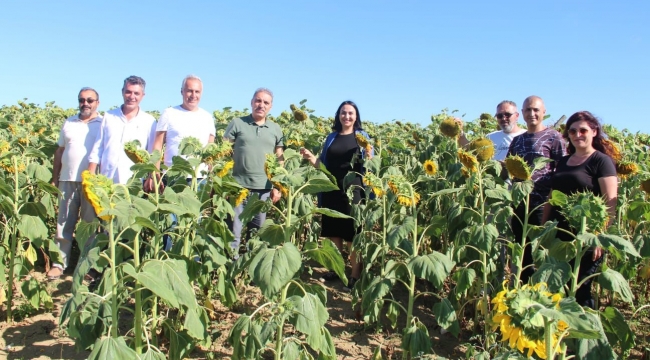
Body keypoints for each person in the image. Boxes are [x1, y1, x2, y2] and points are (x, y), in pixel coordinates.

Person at [542, 111, 617, 309]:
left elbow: (610, 202)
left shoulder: (601, 161)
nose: (577, 135)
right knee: (560, 286)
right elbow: (552, 196)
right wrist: (543, 228)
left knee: (581, 288)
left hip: (587, 235)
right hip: (560, 233)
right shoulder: (564, 162)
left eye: (583, 130)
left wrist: (599, 236)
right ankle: (563, 335)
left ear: (594, 131)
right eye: (573, 131)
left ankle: (585, 336)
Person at [300, 100, 372, 290]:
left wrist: (370, 156)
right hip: (331, 188)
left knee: (352, 234)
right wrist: (311, 158)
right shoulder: (332, 137)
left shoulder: (362, 137)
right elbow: (323, 165)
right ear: (338, 115)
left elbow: (370, 163)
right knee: (333, 233)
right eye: (343, 113)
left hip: (354, 190)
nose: (346, 116)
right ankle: (336, 269)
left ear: (356, 116)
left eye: (350, 113)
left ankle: (355, 275)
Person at [507, 95, 566, 284]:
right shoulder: (517, 140)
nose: (532, 113)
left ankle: (541, 290)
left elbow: (562, 170)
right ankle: (523, 287)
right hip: (519, 202)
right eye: (528, 110)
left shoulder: (554, 137)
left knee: (540, 249)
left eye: (536, 110)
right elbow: (509, 167)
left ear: (543, 113)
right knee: (521, 248)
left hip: (542, 204)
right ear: (522, 113)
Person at [47, 88, 103, 280]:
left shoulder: (103, 123)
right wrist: (55, 177)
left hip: (91, 183)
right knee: (63, 223)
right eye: (82, 100)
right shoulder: (69, 122)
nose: (85, 103)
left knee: (89, 227)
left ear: (97, 102)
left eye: (90, 100)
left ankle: (88, 266)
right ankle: (58, 263)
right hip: (67, 179)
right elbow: (59, 151)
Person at [224, 88, 284, 256]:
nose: (261, 105)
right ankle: (231, 271)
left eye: (266, 102)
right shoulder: (237, 123)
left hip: (263, 189)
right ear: (251, 102)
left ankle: (250, 271)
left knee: (256, 235)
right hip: (238, 187)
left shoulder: (275, 129)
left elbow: (280, 159)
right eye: (258, 101)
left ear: (270, 107)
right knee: (233, 234)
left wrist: (278, 186)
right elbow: (224, 151)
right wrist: (223, 183)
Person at [144, 75, 216, 189]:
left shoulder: (207, 117)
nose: (193, 95)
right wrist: (154, 173)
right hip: (172, 174)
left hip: (200, 178)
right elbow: (157, 146)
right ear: (182, 91)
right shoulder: (169, 113)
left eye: (197, 91)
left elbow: (211, 152)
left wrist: (213, 178)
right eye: (189, 91)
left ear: (201, 93)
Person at [88, 76, 157, 184]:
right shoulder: (109, 116)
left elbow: (151, 153)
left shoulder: (149, 121)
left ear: (143, 96)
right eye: (128, 92)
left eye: (136, 93)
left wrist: (151, 177)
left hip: (134, 181)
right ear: (122, 92)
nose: (132, 96)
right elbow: (98, 147)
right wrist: (91, 173)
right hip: (107, 178)